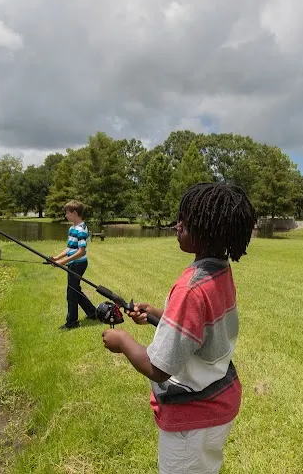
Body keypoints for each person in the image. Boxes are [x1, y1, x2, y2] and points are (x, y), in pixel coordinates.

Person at [101, 182, 257, 474]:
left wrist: (121, 340)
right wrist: (159, 315)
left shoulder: (190, 289)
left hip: (193, 416)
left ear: (207, 229)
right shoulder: (219, 270)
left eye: (186, 220)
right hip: (219, 401)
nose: (177, 225)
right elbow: (201, 328)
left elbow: (159, 368)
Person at [50, 200, 97, 329]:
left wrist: (62, 262)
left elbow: (81, 252)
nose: (65, 215)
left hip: (79, 264)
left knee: (71, 292)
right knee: (75, 290)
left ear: (74, 213)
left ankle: (72, 322)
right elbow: (69, 248)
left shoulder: (81, 230)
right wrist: (56, 258)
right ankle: (92, 312)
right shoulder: (72, 229)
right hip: (73, 263)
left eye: (67, 213)